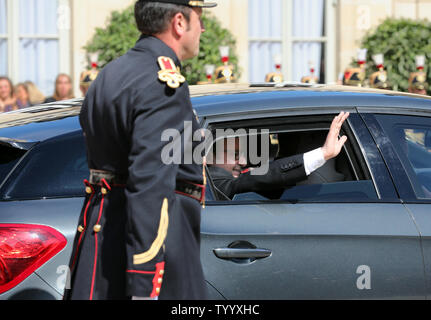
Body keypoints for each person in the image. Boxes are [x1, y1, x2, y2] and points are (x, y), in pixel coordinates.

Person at [65, 0, 217, 301]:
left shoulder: (112, 72)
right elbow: (151, 184)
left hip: (103, 237)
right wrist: (145, 280)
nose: (202, 28)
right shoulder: (162, 81)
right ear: (178, 23)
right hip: (151, 250)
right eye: (198, 18)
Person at [209, 112, 350, 200]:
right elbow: (261, 177)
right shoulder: (213, 181)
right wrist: (323, 153)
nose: (244, 162)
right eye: (235, 154)